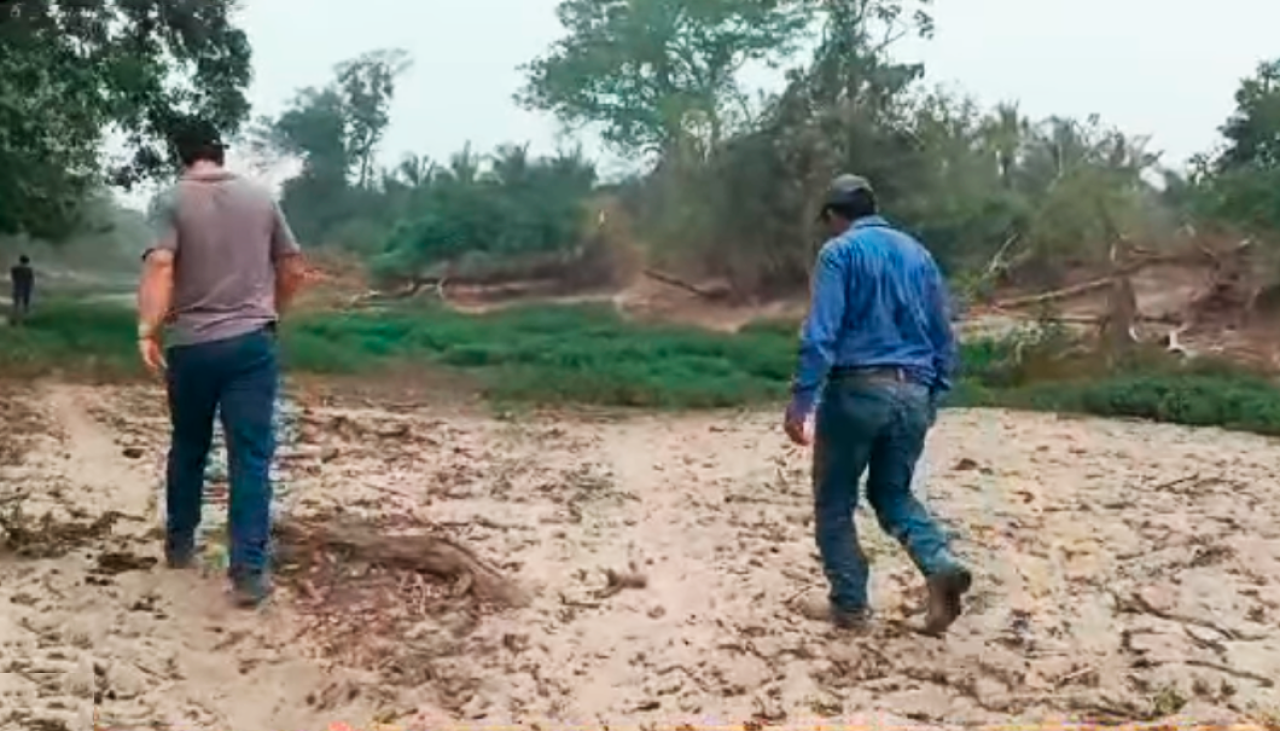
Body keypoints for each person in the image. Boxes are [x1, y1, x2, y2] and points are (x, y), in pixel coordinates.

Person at [784, 173, 971, 636]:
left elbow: (822, 334)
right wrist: (934, 392)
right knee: (892, 493)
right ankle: (938, 562)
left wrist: (802, 398)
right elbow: (944, 332)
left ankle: (849, 607)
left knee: (834, 501)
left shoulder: (839, 252)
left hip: (856, 390)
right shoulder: (918, 254)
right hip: (913, 391)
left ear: (833, 216)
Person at [136, 118, 307, 607]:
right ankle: (248, 571)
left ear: (182, 155)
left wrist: (148, 328)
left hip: (190, 344)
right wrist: (270, 312)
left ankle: (179, 544)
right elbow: (294, 268)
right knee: (250, 457)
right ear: (221, 154)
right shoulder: (260, 197)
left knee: (189, 445)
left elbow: (161, 264)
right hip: (252, 345)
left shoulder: (170, 199)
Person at [10, 254, 33, 323]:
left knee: (16, 302)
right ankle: (25, 314)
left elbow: (13, 277)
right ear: (27, 262)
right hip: (26, 286)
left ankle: (15, 314)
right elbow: (30, 279)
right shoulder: (29, 269)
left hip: (17, 285)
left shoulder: (14, 268)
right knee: (26, 301)